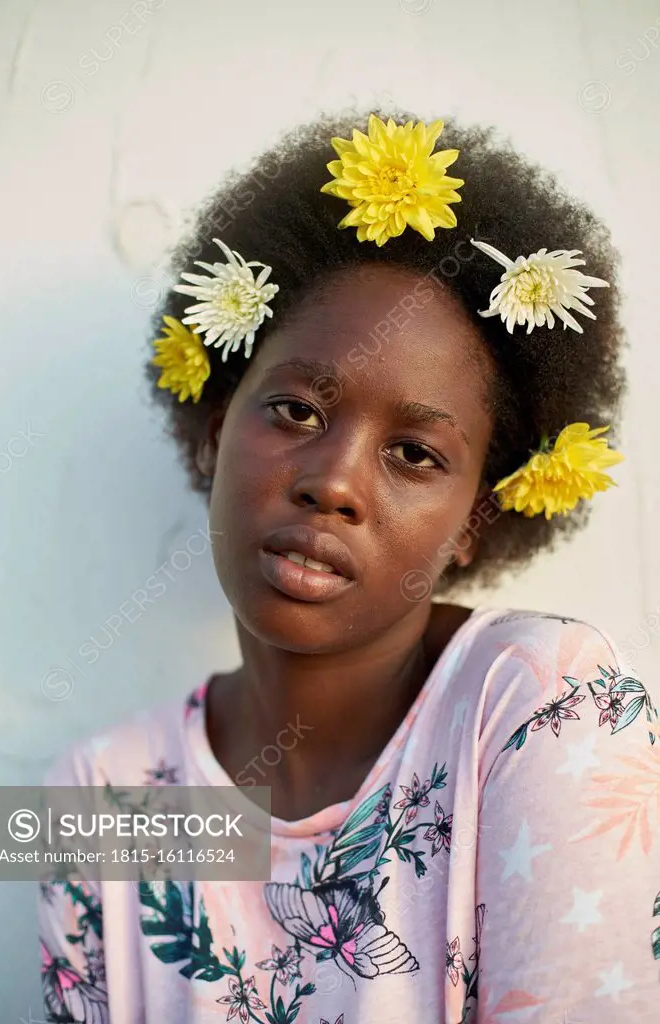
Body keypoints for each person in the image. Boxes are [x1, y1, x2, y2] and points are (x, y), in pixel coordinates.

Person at [38, 110, 660, 1023]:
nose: (332, 483)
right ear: (214, 433)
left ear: (472, 525)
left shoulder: (544, 704)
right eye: (293, 409)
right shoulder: (99, 794)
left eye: (415, 454)